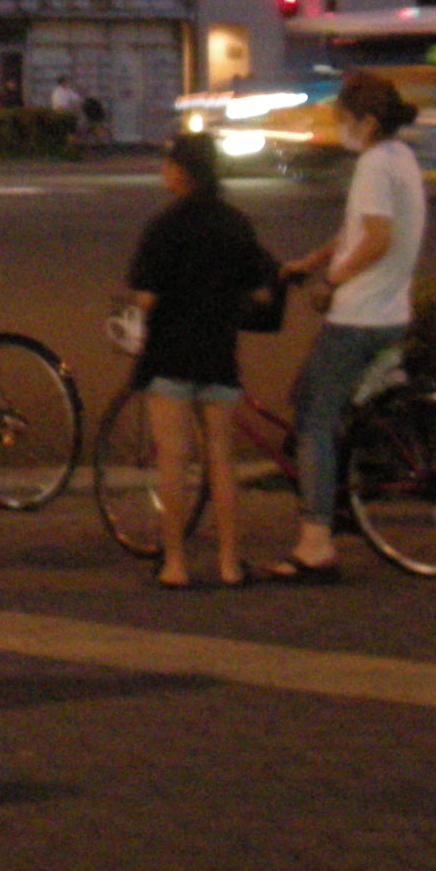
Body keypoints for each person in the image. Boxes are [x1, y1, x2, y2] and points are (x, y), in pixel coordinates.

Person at [267, 72, 426, 583]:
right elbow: (356, 229)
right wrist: (312, 260)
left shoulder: (376, 165)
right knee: (323, 405)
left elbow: (376, 238)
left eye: (344, 118)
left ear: (369, 122)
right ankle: (339, 494)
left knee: (312, 416)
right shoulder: (402, 160)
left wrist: (332, 279)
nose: (339, 127)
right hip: (391, 310)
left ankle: (315, 542)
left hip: (360, 315)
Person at [125, 134, 274, 589]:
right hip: (219, 352)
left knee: (173, 460)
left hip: (170, 353)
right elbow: (263, 287)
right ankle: (230, 563)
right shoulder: (235, 223)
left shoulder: (164, 227)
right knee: (221, 461)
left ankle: (175, 563)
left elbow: (145, 298)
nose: (164, 171)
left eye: (169, 164)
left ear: (181, 172)